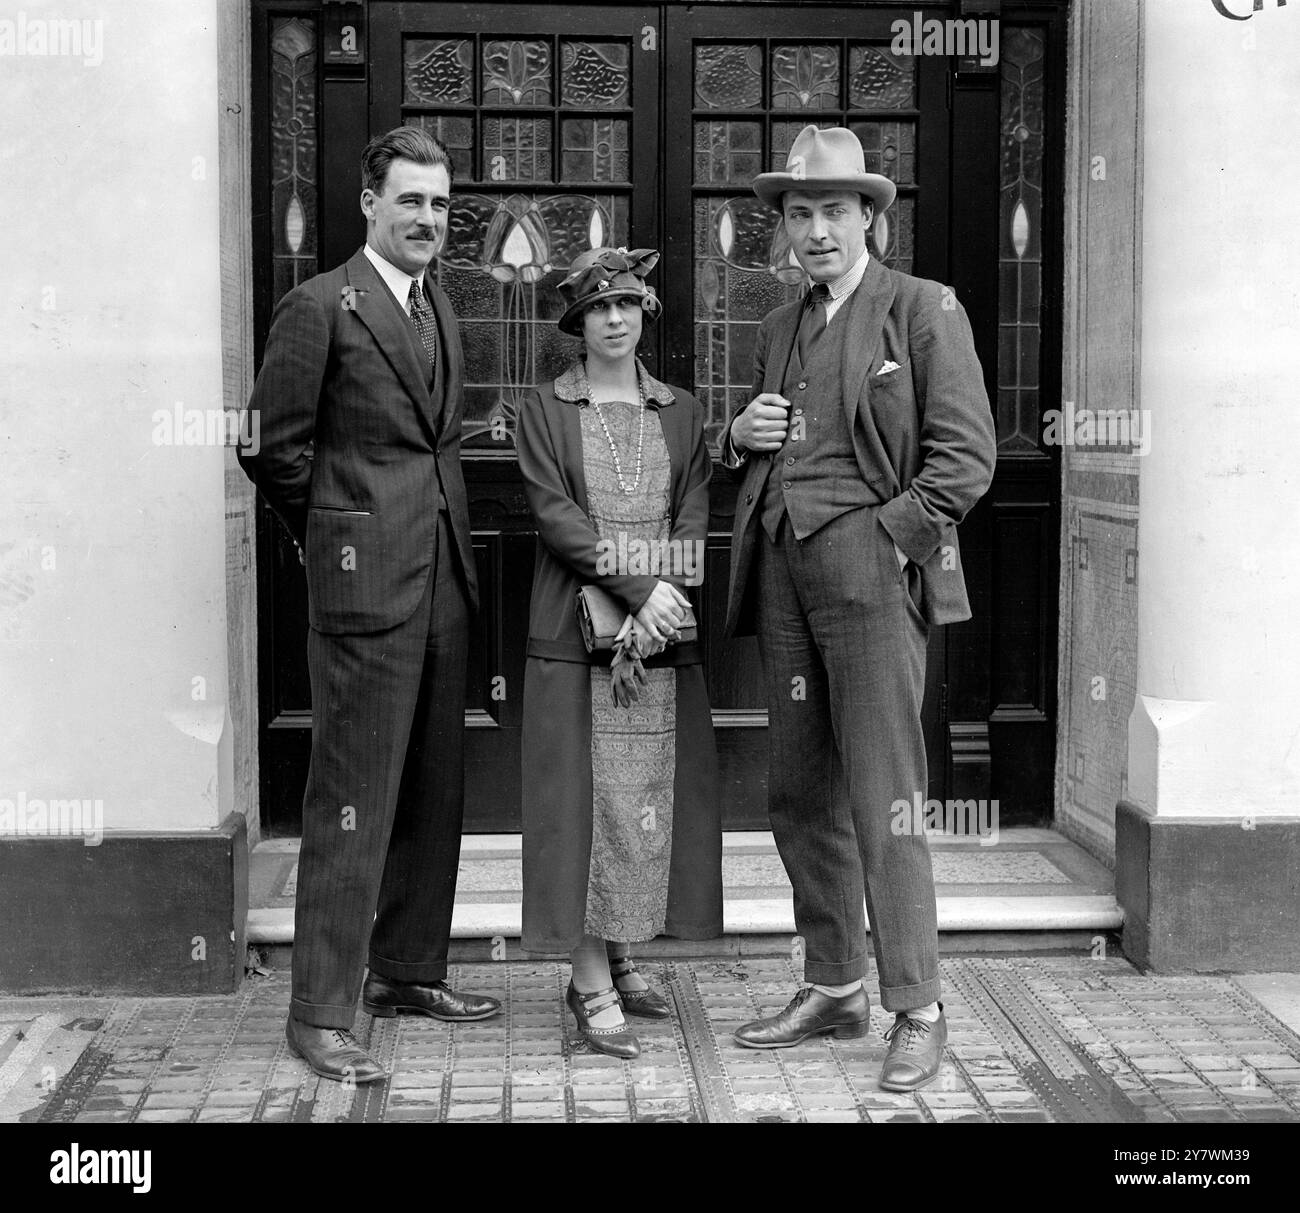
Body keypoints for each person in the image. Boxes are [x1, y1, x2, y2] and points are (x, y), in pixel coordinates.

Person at [719, 125, 996, 1091]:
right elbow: (765, 449)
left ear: (871, 216)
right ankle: (834, 981)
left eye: (835, 210)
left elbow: (966, 459)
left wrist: (888, 539)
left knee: (887, 797)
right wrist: (738, 433)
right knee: (799, 791)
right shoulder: (776, 326)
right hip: (785, 574)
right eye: (800, 213)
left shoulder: (922, 311)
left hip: (873, 580)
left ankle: (917, 1004)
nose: (817, 230)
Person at [238, 126, 500, 1083]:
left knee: (434, 791)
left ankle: (407, 970)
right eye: (411, 202)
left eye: (440, 205)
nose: (428, 219)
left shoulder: (442, 309)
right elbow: (270, 445)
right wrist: (341, 535)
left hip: (442, 583)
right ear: (368, 203)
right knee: (350, 801)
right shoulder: (320, 307)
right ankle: (318, 1013)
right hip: (366, 591)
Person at [515, 247, 723, 1059]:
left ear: (643, 316)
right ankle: (587, 979)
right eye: (598, 309)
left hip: (661, 635)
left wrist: (661, 603)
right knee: (583, 805)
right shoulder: (545, 409)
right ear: (578, 324)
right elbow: (554, 514)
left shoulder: (683, 410)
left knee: (643, 799)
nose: (613, 319)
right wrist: (638, 590)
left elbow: (695, 509)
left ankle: (625, 949)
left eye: (627, 306)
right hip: (574, 631)